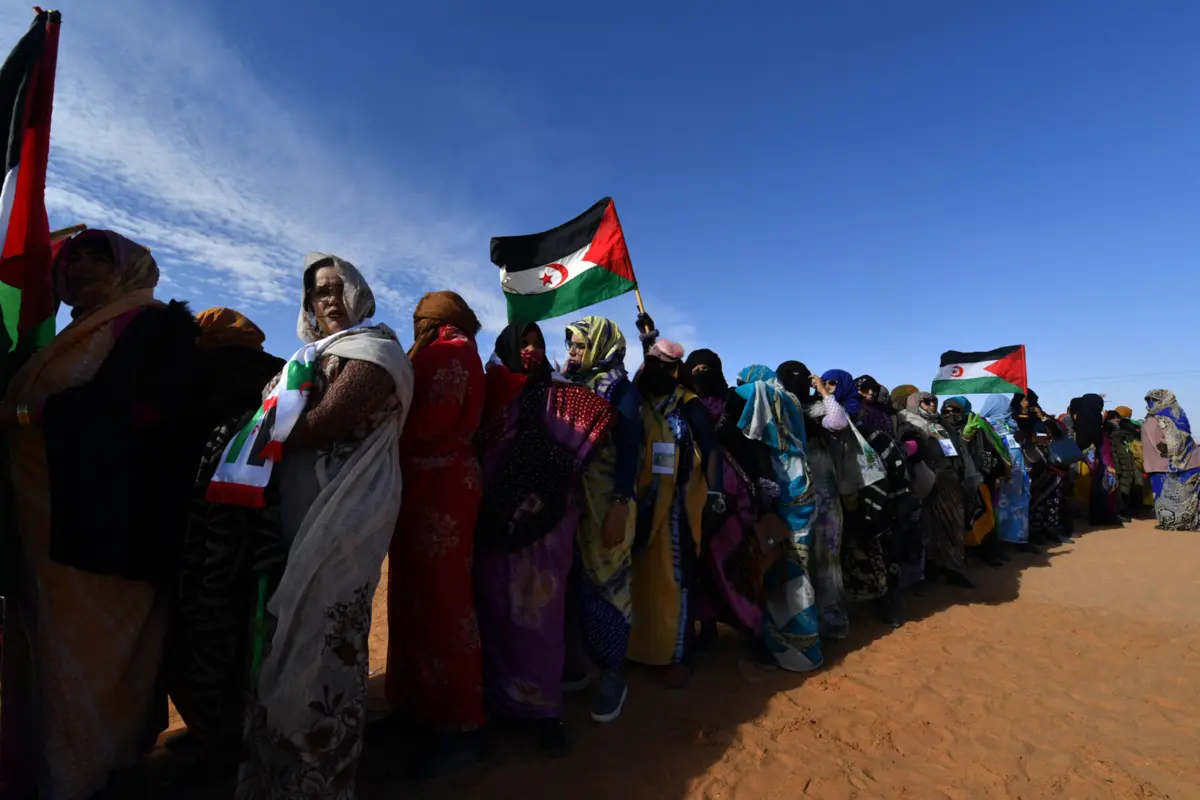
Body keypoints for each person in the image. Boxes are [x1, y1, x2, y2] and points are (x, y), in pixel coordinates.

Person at [0, 230, 199, 799]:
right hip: (44, 527)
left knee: (98, 661)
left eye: (97, 258)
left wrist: (29, 415)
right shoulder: (63, 337)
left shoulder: (154, 326)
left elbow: (145, 410)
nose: (81, 267)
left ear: (127, 270)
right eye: (74, 259)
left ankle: (83, 778)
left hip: (108, 529)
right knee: (45, 654)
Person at [227, 253, 413, 799]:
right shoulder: (304, 358)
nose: (328, 299)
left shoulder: (376, 350)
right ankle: (273, 770)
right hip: (295, 511)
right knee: (280, 635)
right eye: (317, 292)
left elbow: (325, 421)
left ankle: (319, 778)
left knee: (326, 635)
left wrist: (262, 431)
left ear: (358, 292)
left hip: (348, 511)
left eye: (336, 287)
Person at [473, 322, 616, 756]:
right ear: (506, 349)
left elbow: (596, 427)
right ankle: (499, 701)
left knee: (542, 617)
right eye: (523, 344)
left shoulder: (560, 395)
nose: (532, 351)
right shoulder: (487, 394)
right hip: (493, 519)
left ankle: (545, 711)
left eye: (537, 343)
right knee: (495, 612)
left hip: (549, 524)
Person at [166, 309, 286, 766]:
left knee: (207, 622)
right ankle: (248, 728)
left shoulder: (199, 375)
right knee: (254, 621)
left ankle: (214, 735)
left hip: (207, 515)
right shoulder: (279, 373)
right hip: (266, 515)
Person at [385, 290, 486, 775]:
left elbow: (434, 420)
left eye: (419, 320)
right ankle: (414, 708)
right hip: (424, 487)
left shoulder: (450, 353)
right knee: (412, 599)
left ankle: (460, 726)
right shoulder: (450, 351)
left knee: (444, 605)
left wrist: (380, 431)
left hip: (440, 488)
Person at [561, 315, 643, 722]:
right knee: (573, 582)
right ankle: (578, 666)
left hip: (608, 503)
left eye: (581, 345)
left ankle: (612, 675)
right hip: (572, 504)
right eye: (572, 345)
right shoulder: (571, 384)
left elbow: (630, 450)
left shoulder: (619, 389)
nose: (574, 352)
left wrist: (620, 504)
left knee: (611, 587)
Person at [627, 339, 722, 687]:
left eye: (669, 368)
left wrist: (715, 493)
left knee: (676, 580)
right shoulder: (638, 401)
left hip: (678, 506)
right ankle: (640, 649)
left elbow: (711, 448)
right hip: (640, 503)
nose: (662, 373)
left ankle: (677, 655)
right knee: (641, 581)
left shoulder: (688, 403)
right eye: (656, 365)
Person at [684, 350, 779, 659]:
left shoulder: (736, 402)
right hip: (696, 493)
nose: (700, 374)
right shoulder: (687, 404)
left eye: (706, 368)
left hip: (736, 498)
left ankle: (755, 630)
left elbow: (756, 442)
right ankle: (708, 628)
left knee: (736, 566)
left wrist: (765, 482)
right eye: (694, 369)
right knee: (701, 566)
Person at [734, 366, 823, 672]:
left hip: (787, 495)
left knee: (789, 574)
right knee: (796, 570)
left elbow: (738, 396)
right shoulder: (792, 401)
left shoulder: (768, 393)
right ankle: (799, 640)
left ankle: (798, 649)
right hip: (802, 491)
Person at [799, 368, 860, 639]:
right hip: (802, 495)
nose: (827, 386)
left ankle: (833, 620)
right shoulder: (805, 408)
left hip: (829, 492)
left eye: (832, 383)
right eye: (824, 382)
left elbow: (837, 422)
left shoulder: (838, 409)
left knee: (828, 559)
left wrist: (823, 392)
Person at [899, 392, 977, 588]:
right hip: (926, 483)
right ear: (916, 404)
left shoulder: (942, 424)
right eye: (926, 401)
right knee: (927, 528)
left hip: (950, 481)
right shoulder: (910, 424)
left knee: (954, 525)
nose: (932, 404)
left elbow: (957, 450)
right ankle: (929, 571)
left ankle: (953, 569)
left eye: (934, 401)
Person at [943, 397, 1010, 565]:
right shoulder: (942, 429)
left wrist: (995, 474)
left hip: (981, 479)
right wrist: (963, 439)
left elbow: (989, 451)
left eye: (955, 411)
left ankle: (989, 552)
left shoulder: (977, 427)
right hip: (956, 481)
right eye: (946, 411)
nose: (950, 415)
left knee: (984, 516)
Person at [1141, 389, 1200, 531]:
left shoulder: (1164, 420)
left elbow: (1172, 443)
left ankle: (1178, 522)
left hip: (1173, 466)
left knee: (1179, 496)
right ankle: (1175, 521)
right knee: (1173, 496)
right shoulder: (1170, 418)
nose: (1150, 404)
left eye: (1153, 400)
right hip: (1168, 465)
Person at [979, 395, 1031, 549]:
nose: (1008, 407)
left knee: (1018, 502)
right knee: (1001, 504)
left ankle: (1018, 538)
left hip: (1018, 472)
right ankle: (1001, 538)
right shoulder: (985, 425)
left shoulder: (1011, 423)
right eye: (1004, 405)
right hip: (1002, 472)